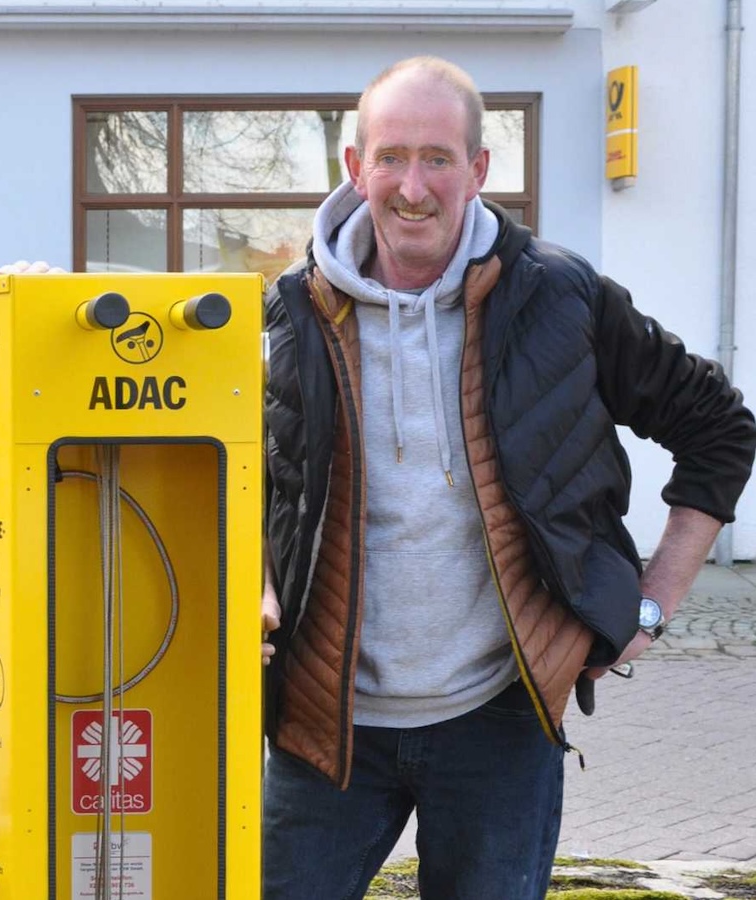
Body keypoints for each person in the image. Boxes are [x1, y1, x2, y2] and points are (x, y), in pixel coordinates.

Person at [259, 56, 756, 900]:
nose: (412, 186)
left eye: (439, 158)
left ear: (479, 171)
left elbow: (718, 428)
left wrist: (652, 604)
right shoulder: (288, 312)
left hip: (500, 721)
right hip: (326, 726)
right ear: (355, 167)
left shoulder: (558, 299)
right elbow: (245, 476)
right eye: (391, 157)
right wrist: (258, 582)